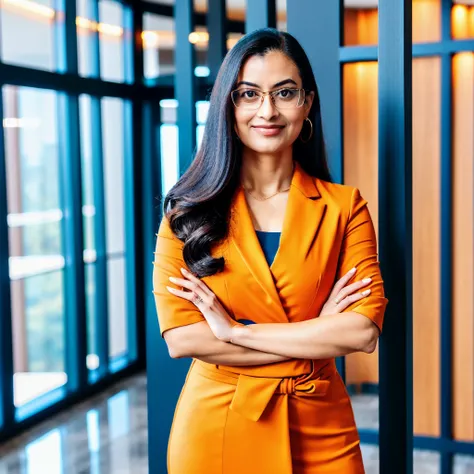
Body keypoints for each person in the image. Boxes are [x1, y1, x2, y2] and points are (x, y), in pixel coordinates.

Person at [152, 28, 388, 474]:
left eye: (284, 92)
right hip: (217, 424)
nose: (267, 110)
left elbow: (361, 333)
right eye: (249, 94)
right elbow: (185, 339)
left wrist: (235, 333)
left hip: (321, 424)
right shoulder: (186, 214)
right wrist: (318, 331)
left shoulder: (344, 206)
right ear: (229, 105)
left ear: (308, 102)